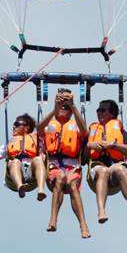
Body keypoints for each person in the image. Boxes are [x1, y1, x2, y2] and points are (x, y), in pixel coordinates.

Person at [38, 87, 90, 238]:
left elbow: (85, 132)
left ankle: (83, 225)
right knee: (60, 177)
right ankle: (53, 219)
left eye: (66, 107)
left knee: (72, 185)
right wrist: (54, 109)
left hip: (72, 166)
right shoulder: (50, 125)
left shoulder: (75, 124)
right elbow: (39, 128)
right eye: (61, 106)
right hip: (54, 165)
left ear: (70, 111)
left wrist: (73, 105)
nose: (63, 109)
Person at [87, 99, 127, 225]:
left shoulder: (121, 131)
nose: (99, 113)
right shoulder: (92, 130)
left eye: (103, 110)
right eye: (98, 110)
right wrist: (91, 145)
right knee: (102, 171)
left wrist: (113, 146)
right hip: (97, 167)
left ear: (112, 114)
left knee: (120, 169)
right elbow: (81, 153)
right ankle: (101, 211)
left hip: (114, 168)